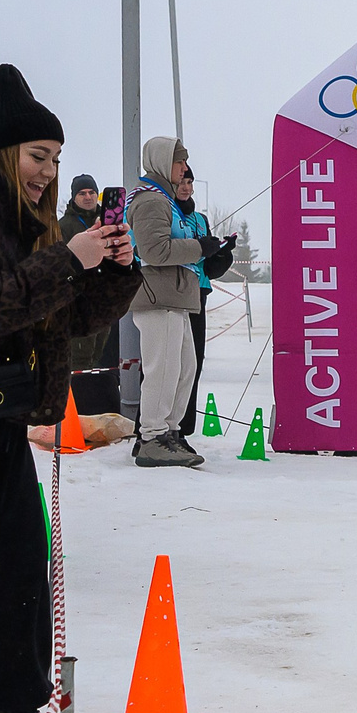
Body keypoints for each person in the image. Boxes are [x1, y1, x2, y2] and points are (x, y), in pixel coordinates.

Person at [0, 68, 138, 713]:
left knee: (22, 578)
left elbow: (64, 324)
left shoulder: (34, 231)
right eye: (36, 155)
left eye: (55, 157)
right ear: (2, 154)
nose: (48, 172)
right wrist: (64, 260)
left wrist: (109, 272)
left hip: (4, 426)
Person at [126, 136, 231, 468]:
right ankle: (152, 436)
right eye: (179, 162)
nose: (184, 169)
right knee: (164, 368)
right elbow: (154, 250)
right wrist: (200, 247)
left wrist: (210, 250)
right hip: (158, 296)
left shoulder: (166, 201)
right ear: (160, 162)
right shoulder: (151, 201)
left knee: (185, 367)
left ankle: (169, 432)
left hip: (177, 297)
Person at [56, 175, 122, 417]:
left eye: (91, 193)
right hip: (77, 301)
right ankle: (78, 411)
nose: (87, 197)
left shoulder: (107, 223)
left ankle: (103, 408)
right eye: (82, 193)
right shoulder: (64, 226)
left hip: (104, 299)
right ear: (74, 197)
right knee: (80, 357)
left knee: (103, 356)